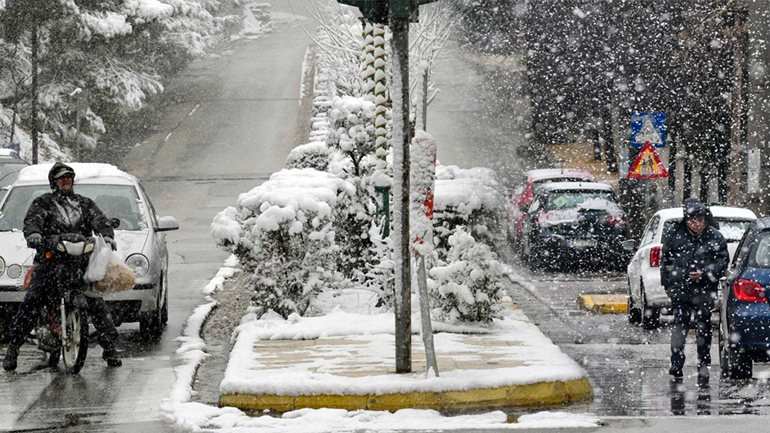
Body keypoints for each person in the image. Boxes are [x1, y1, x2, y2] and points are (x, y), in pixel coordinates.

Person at [3, 162, 122, 371]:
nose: (65, 180)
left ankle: (110, 348)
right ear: (53, 182)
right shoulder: (43, 203)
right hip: (50, 263)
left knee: (96, 302)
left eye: (68, 177)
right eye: (60, 177)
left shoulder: (85, 204)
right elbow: (33, 221)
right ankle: (14, 347)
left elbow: (100, 221)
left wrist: (108, 236)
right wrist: (34, 235)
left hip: (79, 264)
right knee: (33, 300)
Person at [660, 197, 729, 383]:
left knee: (703, 328)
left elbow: (722, 262)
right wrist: (667, 284)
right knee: (680, 326)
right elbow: (665, 260)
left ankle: (704, 365)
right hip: (680, 290)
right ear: (686, 220)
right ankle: (676, 364)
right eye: (692, 220)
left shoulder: (714, 236)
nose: (697, 224)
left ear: (705, 220)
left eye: (700, 220)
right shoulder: (674, 234)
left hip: (704, 291)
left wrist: (705, 273)